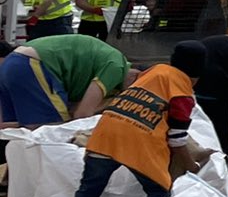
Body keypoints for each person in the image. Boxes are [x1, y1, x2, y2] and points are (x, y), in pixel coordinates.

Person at [65, 45, 211, 197]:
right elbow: (177, 139)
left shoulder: (155, 71)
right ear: (199, 73)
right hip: (139, 143)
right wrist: (192, 166)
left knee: (88, 191)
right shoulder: (182, 92)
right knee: (159, 194)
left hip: (106, 132)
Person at [1, 33, 131, 129]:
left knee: (13, 132)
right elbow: (82, 115)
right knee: (53, 129)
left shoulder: (105, 70)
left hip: (14, 63)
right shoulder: (117, 67)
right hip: (33, 64)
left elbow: (74, 108)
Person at [171, 31, 228, 163]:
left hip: (195, 91)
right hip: (220, 95)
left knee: (198, 131)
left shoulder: (212, 38)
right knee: (225, 135)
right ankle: (224, 166)